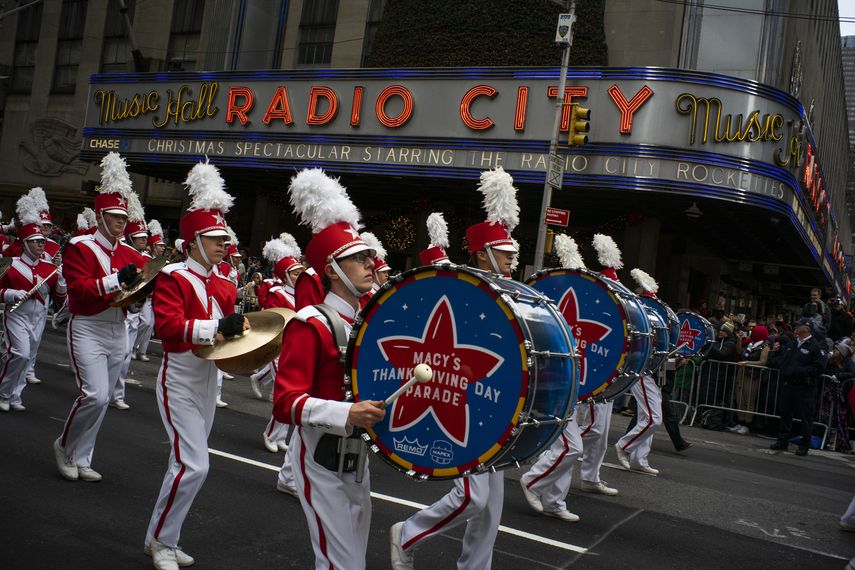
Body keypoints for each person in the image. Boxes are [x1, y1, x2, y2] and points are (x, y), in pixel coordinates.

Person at [390, 167, 521, 570]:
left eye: (515, 254)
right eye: (506, 254)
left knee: (491, 507)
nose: (513, 261)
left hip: (494, 403)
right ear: (482, 253)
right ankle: (408, 532)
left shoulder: (506, 292)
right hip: (458, 400)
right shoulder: (461, 287)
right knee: (472, 497)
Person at [272, 168, 385, 570]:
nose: (371, 263)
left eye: (369, 256)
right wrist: (345, 413)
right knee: (341, 565)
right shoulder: (310, 323)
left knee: (354, 561)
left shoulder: (368, 324)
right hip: (318, 460)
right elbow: (285, 403)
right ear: (333, 270)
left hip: (357, 459)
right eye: (359, 258)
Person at [144, 160, 246, 570]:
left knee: (184, 465)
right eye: (215, 239)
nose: (224, 245)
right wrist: (216, 328)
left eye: (224, 239)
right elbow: (167, 328)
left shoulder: (224, 282)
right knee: (194, 464)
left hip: (208, 381)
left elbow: (226, 333)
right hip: (179, 379)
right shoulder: (172, 276)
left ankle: (161, 537)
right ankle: (162, 542)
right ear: (193, 242)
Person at [53, 152, 145, 483]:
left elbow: (133, 296)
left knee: (104, 399)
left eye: (124, 217)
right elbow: (79, 289)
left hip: (117, 327)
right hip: (88, 327)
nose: (122, 222)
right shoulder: (80, 246)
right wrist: (116, 280)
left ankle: (83, 456)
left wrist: (137, 298)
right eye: (115, 216)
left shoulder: (130, 253)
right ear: (101, 216)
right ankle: (64, 446)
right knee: (93, 394)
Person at [519, 235, 594, 524]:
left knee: (566, 446)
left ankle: (554, 501)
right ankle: (533, 479)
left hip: (570, 383)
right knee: (570, 447)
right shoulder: (548, 303)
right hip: (553, 385)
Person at [0, 193, 67, 411]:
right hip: (16, 314)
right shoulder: (12, 264)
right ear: (25, 244)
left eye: (42, 241)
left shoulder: (50, 268)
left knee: (27, 356)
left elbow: (59, 298)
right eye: (36, 241)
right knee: (18, 353)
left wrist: (63, 281)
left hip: (38, 316)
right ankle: (4, 392)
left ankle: (15, 396)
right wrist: (11, 294)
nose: (41, 244)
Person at [768, 317, 827, 456]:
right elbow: (782, 362)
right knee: (785, 414)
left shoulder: (815, 346)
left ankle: (804, 445)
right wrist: (773, 353)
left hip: (805, 387)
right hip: (789, 385)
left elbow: (819, 367)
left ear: (807, 328)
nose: (796, 327)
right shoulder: (792, 344)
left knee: (806, 417)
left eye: (799, 325)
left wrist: (799, 371)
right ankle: (782, 440)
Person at [112, 193, 149, 410]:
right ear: (131, 239)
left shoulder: (141, 258)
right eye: (141, 239)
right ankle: (109, 393)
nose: (145, 242)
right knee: (119, 356)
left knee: (124, 357)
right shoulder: (124, 255)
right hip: (117, 311)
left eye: (145, 238)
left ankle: (117, 395)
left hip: (133, 312)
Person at [133, 219, 167, 362]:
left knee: (150, 324)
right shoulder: (146, 257)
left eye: (163, 246)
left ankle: (142, 350)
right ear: (153, 246)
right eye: (159, 246)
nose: (162, 248)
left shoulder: (160, 260)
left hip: (155, 297)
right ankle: (133, 347)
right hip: (145, 296)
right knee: (145, 322)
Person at [730, 325, 771, 434]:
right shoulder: (750, 344)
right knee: (739, 399)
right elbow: (739, 352)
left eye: (755, 331)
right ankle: (740, 421)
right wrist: (739, 340)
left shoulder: (765, 347)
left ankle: (747, 424)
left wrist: (747, 363)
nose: (752, 333)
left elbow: (763, 362)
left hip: (752, 376)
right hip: (742, 373)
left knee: (749, 400)